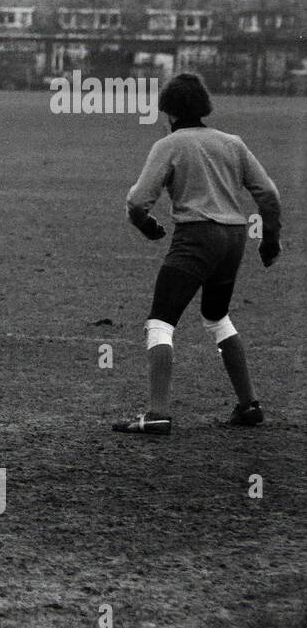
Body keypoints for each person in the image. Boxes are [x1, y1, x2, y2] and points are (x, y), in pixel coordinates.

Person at [113, 72, 281, 435]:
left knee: (161, 322)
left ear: (169, 111)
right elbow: (268, 194)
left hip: (196, 237)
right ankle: (249, 405)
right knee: (217, 317)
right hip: (234, 238)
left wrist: (146, 226)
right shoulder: (232, 143)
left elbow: (137, 200)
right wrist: (270, 241)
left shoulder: (171, 144)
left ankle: (157, 413)